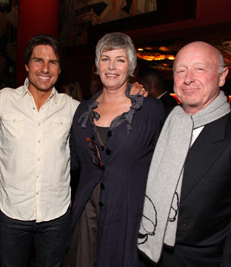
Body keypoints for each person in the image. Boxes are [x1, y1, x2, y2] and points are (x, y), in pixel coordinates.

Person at [0, 33, 147, 267]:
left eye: (53, 62)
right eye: (38, 60)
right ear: (27, 66)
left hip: (56, 215)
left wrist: (133, 87)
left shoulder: (75, 109)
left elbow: (108, 111)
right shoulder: (2, 100)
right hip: (11, 215)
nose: (45, 68)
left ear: (60, 70)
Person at [138, 41, 231, 267]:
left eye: (200, 69)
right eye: (180, 70)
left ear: (222, 76)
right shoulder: (163, 124)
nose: (188, 78)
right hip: (148, 253)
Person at [65, 32, 164, 267]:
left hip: (128, 213)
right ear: (97, 65)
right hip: (86, 213)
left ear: (131, 66)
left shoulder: (150, 110)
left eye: (120, 59)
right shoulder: (83, 111)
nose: (111, 66)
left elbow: (162, 166)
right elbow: (73, 161)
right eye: (105, 58)